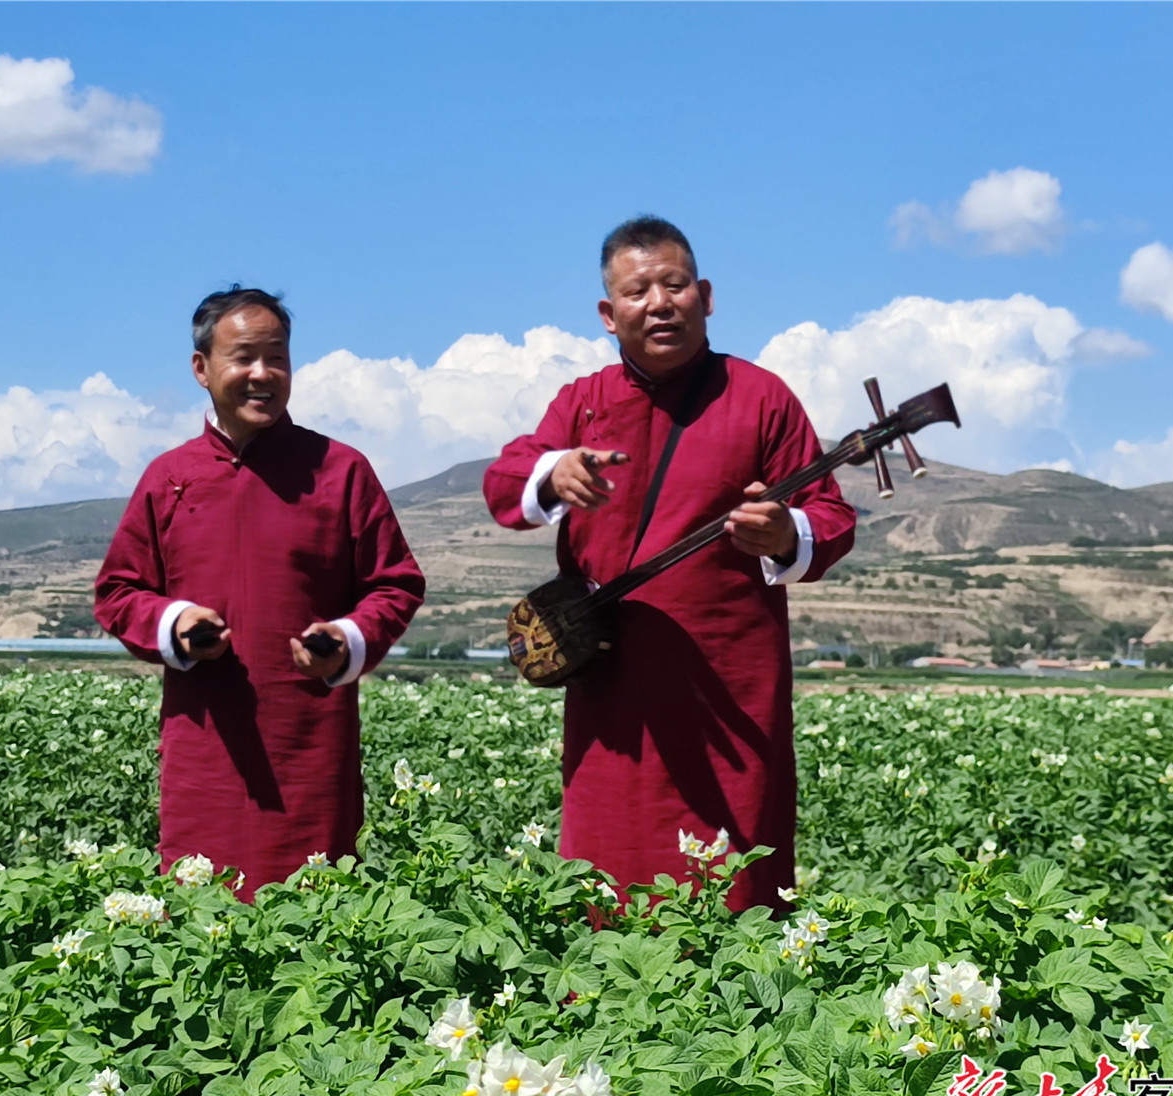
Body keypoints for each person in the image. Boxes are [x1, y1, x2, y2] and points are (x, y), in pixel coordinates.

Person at [483, 217, 856, 911]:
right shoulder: (583, 403)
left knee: (733, 892)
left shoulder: (762, 398)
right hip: (612, 702)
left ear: (705, 297)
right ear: (609, 314)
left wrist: (785, 532)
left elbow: (830, 518)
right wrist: (553, 472)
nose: (659, 303)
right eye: (638, 291)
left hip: (730, 699)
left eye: (675, 285)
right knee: (607, 886)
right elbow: (504, 486)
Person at [95, 287, 425, 898]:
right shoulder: (169, 477)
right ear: (201, 368)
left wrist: (345, 640)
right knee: (198, 920)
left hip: (310, 750)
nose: (263, 374)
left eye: (277, 358)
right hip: (204, 754)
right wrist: (175, 624)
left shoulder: (341, 471)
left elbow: (395, 582)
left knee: (316, 917)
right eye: (244, 357)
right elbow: (118, 590)